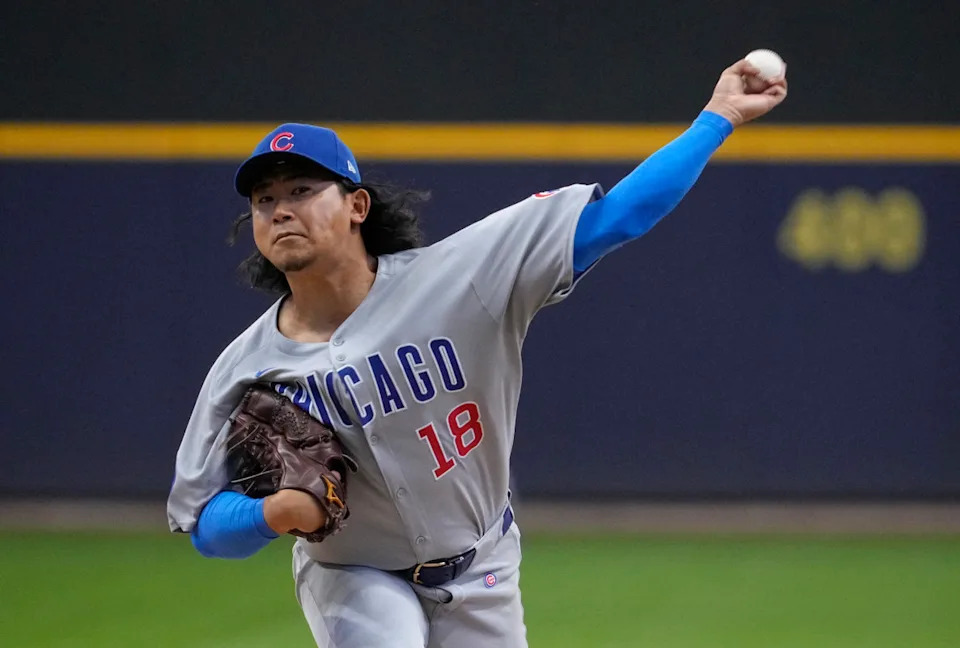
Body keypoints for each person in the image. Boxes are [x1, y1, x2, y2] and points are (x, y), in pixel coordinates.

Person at [167, 58, 787, 647]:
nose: (280, 210)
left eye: (301, 189)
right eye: (263, 201)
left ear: (357, 206)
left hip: (482, 565)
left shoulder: (460, 278)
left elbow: (619, 216)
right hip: (352, 573)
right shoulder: (246, 365)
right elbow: (205, 525)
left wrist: (718, 118)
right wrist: (271, 514)